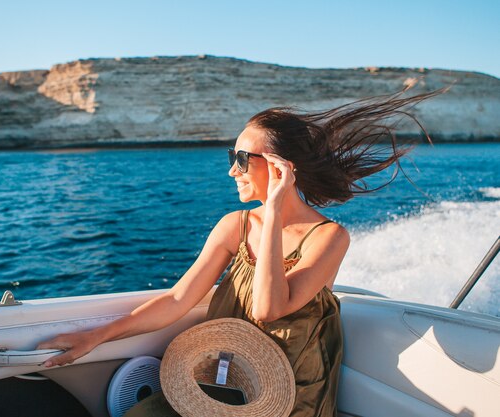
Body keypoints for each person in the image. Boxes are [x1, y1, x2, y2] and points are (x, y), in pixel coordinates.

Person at [38, 87, 445, 416]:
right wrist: (96, 336)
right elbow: (179, 298)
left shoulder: (329, 237)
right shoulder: (235, 225)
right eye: (231, 158)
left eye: (241, 159)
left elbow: (270, 307)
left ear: (282, 168)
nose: (232, 170)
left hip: (289, 393)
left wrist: (272, 209)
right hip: (224, 374)